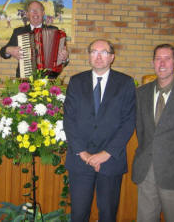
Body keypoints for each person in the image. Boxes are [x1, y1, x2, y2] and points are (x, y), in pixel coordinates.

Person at [64, 39, 136, 222]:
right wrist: (84, 154)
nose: (98, 56)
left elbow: (128, 122)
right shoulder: (76, 81)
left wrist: (106, 153)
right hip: (80, 161)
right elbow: (69, 119)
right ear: (89, 56)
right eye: (94, 51)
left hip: (111, 161)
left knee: (108, 215)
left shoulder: (126, 82)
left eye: (103, 52)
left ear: (112, 57)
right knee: (78, 214)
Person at [132, 44, 174, 222]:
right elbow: (141, 130)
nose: (162, 63)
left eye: (167, 58)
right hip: (146, 172)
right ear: (153, 62)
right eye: (158, 59)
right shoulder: (141, 93)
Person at [0, 0, 69, 78]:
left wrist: (64, 59)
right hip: (25, 80)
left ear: (43, 13)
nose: (35, 12)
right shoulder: (19, 31)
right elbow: (2, 52)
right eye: (32, 10)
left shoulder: (55, 31)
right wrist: (8, 50)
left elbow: (64, 62)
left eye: (38, 10)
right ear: (27, 14)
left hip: (49, 80)